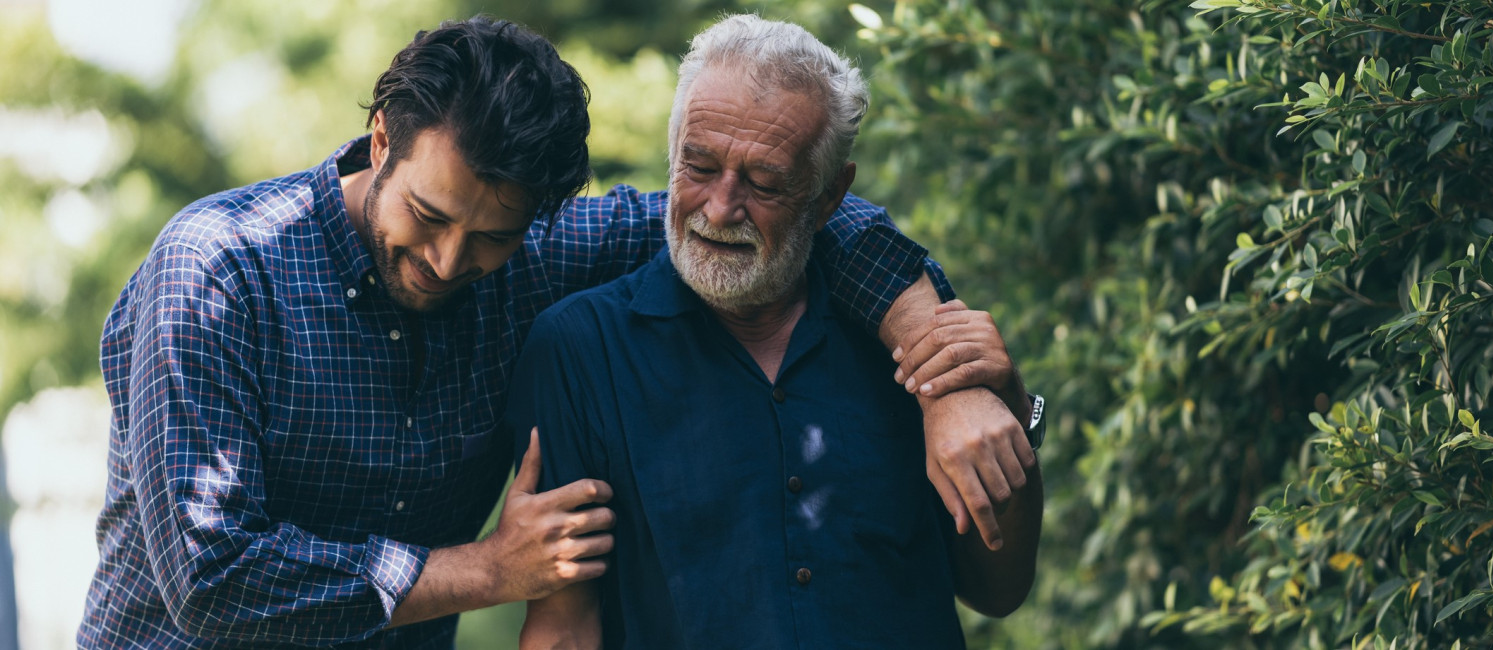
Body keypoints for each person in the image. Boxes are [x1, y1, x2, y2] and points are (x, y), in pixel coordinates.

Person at [78, 15, 1034, 649]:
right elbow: (212, 578)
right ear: (380, 139)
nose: (450, 261)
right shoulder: (216, 270)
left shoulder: (541, 252)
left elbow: (772, 220)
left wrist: (942, 365)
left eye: (490, 236)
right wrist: (488, 569)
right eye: (427, 214)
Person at [508, 15, 1044, 649]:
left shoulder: (912, 335)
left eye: (764, 183)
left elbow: (997, 590)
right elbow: (565, 630)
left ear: (828, 196)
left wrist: (1004, 411)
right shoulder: (579, 349)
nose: (720, 208)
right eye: (699, 167)